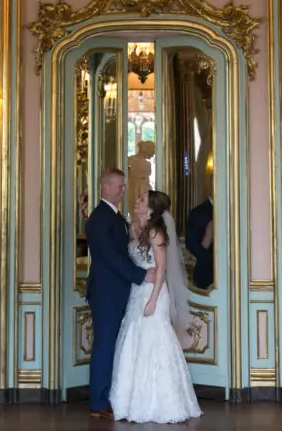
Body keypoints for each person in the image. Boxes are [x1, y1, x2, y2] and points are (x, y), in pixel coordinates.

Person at [109, 190, 202, 424]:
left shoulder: (156, 232)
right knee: (135, 339)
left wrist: (152, 299)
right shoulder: (137, 229)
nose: (136, 201)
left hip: (154, 294)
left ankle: (161, 401)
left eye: (141, 200)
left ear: (150, 208)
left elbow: (161, 268)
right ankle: (130, 401)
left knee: (155, 341)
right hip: (137, 292)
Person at [84, 168, 156, 420]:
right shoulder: (98, 219)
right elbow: (111, 258)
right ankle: (98, 403)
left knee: (115, 344)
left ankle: (111, 397)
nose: (124, 190)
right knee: (105, 345)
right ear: (105, 187)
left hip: (119, 291)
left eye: (124, 186)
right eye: (120, 186)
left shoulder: (114, 217)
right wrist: (141, 275)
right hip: (106, 293)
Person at [185, 195, 214, 291]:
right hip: (206, 275)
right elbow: (190, 244)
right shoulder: (197, 212)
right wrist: (207, 240)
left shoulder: (235, 209)